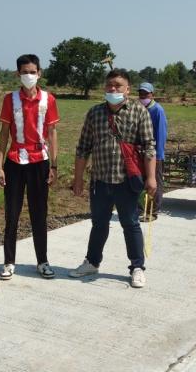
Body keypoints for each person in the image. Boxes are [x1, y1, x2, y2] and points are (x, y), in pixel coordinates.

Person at [70, 69, 156, 288]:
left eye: (118, 85)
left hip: (127, 181)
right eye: (109, 85)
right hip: (100, 180)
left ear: (127, 89)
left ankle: (137, 267)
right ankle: (92, 262)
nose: (113, 89)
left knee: (131, 224)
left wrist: (151, 178)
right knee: (99, 224)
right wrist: (78, 179)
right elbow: (83, 148)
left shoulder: (139, 112)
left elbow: (149, 147)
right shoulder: (95, 113)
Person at [0, 54, 59, 280]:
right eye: (25, 72)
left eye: (32, 72)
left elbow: (52, 133)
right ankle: (8, 262)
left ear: (39, 73)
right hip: (15, 160)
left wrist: (54, 165)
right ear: (18, 74)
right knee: (11, 214)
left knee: (39, 214)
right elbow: (4, 134)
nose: (29, 76)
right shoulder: (10, 99)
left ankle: (42, 261)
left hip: (39, 161)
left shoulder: (48, 99)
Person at [137, 82, 167, 221]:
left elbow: (161, 134)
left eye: (146, 93)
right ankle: (140, 209)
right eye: (141, 93)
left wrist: (158, 155)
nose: (143, 96)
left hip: (154, 154)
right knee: (140, 182)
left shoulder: (157, 110)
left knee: (154, 182)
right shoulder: (139, 109)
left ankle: (152, 212)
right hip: (139, 152)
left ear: (152, 94)